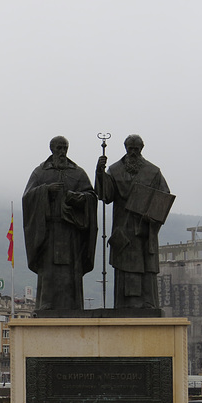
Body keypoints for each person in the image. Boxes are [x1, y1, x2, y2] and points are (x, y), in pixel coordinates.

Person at [95, 134, 173, 309]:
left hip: (145, 229)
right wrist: (100, 173)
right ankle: (126, 304)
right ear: (125, 148)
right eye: (130, 148)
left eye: (136, 149)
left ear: (142, 148)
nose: (133, 152)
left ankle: (147, 303)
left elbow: (164, 197)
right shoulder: (114, 170)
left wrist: (151, 214)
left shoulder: (153, 171)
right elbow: (105, 196)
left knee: (146, 268)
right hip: (123, 228)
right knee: (125, 267)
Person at [22, 136, 98, 313]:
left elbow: (91, 196)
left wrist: (81, 198)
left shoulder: (78, 173)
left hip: (71, 232)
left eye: (65, 148)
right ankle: (46, 303)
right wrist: (46, 190)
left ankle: (73, 305)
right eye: (59, 148)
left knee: (71, 270)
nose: (62, 152)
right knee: (49, 270)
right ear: (52, 149)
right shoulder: (40, 173)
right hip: (49, 231)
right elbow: (27, 198)